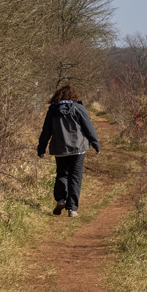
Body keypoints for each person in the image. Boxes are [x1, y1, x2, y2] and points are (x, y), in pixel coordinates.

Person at [37, 85, 101, 217]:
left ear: (57, 96)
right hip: (78, 149)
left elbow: (46, 131)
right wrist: (95, 143)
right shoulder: (79, 108)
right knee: (75, 177)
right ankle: (72, 209)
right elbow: (88, 127)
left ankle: (60, 199)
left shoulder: (52, 110)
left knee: (62, 174)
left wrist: (41, 147)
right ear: (73, 95)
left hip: (60, 148)